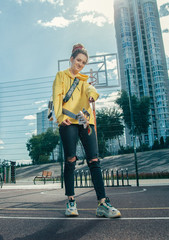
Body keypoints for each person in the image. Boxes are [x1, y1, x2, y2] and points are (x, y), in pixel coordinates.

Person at [52, 43, 121, 218]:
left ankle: (103, 204)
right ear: (71, 59)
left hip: (85, 122)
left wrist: (93, 95)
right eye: (78, 60)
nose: (80, 64)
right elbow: (57, 98)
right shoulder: (61, 76)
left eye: (83, 62)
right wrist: (60, 118)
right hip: (68, 122)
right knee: (71, 160)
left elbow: (90, 89)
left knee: (94, 160)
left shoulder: (84, 80)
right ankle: (71, 201)